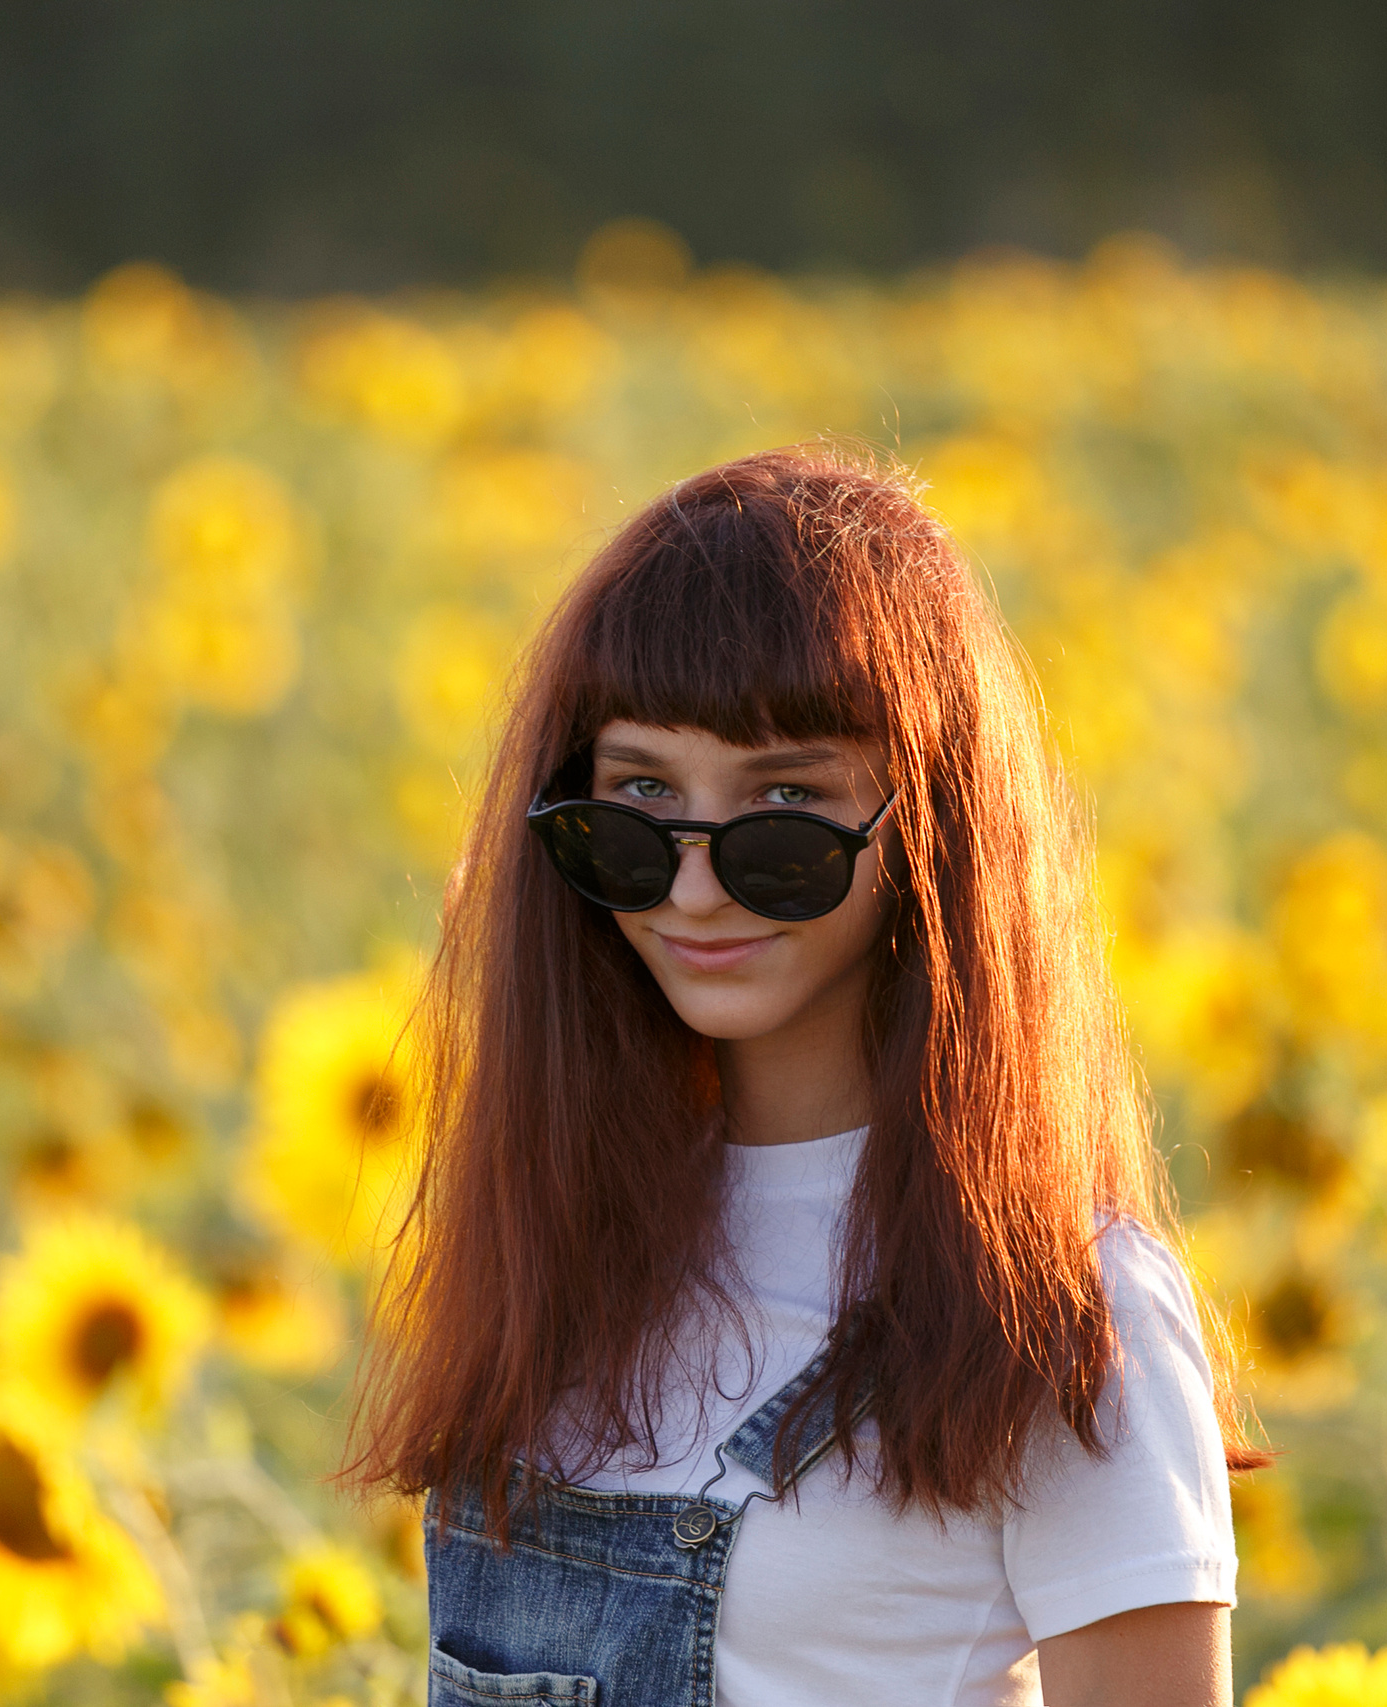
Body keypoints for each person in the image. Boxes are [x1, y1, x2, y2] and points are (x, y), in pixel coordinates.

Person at [343, 447, 1262, 1707]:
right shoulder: (556, 1237)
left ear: (929, 832)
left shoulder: (1058, 1310)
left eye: (783, 804)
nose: (695, 883)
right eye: (638, 799)